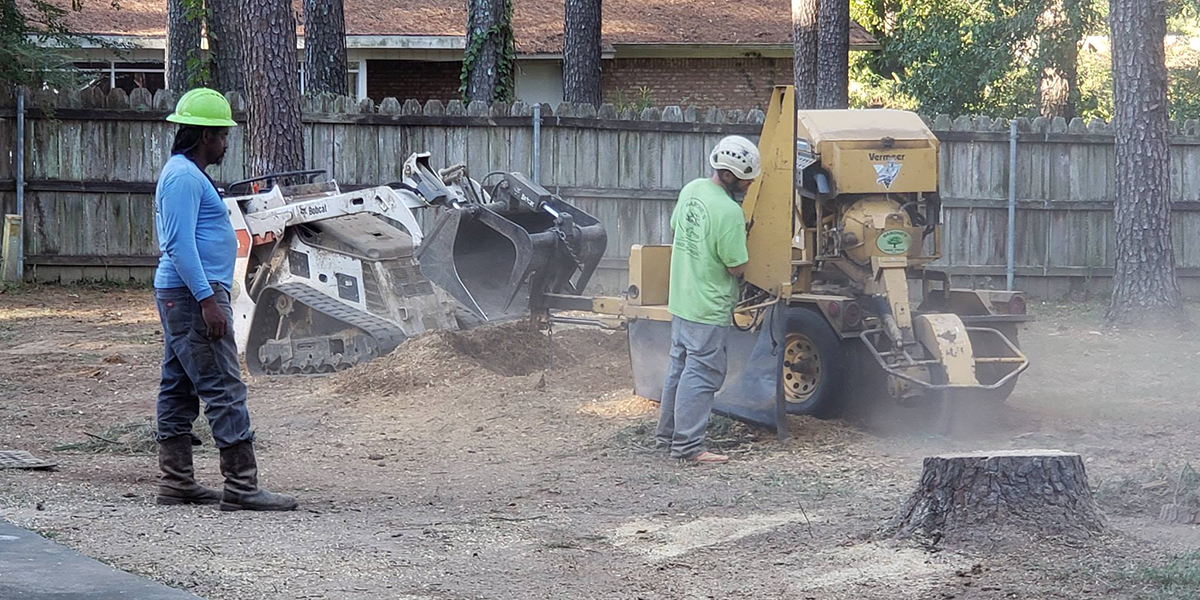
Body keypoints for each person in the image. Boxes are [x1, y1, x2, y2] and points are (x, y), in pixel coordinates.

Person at [153, 88, 297, 511]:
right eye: (221, 134)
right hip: (191, 294)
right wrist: (207, 299)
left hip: (184, 294)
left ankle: (176, 481)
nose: (225, 142)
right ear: (203, 137)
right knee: (224, 387)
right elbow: (178, 245)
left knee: (178, 386)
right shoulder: (182, 177)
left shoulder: (187, 174)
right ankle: (241, 486)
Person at [655, 135, 761, 464]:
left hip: (683, 299)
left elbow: (677, 229)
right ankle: (688, 447)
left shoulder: (692, 189)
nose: (749, 184)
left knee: (680, 368)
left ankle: (667, 436)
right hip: (708, 305)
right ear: (729, 175)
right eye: (746, 178)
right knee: (701, 373)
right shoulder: (729, 212)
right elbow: (737, 266)